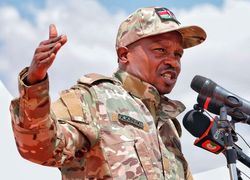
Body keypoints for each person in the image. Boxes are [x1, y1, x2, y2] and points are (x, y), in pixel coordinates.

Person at [10, 7, 206, 179]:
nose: (173, 61)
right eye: (161, 50)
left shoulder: (168, 125)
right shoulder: (93, 99)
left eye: (178, 54)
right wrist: (34, 83)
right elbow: (41, 148)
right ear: (124, 55)